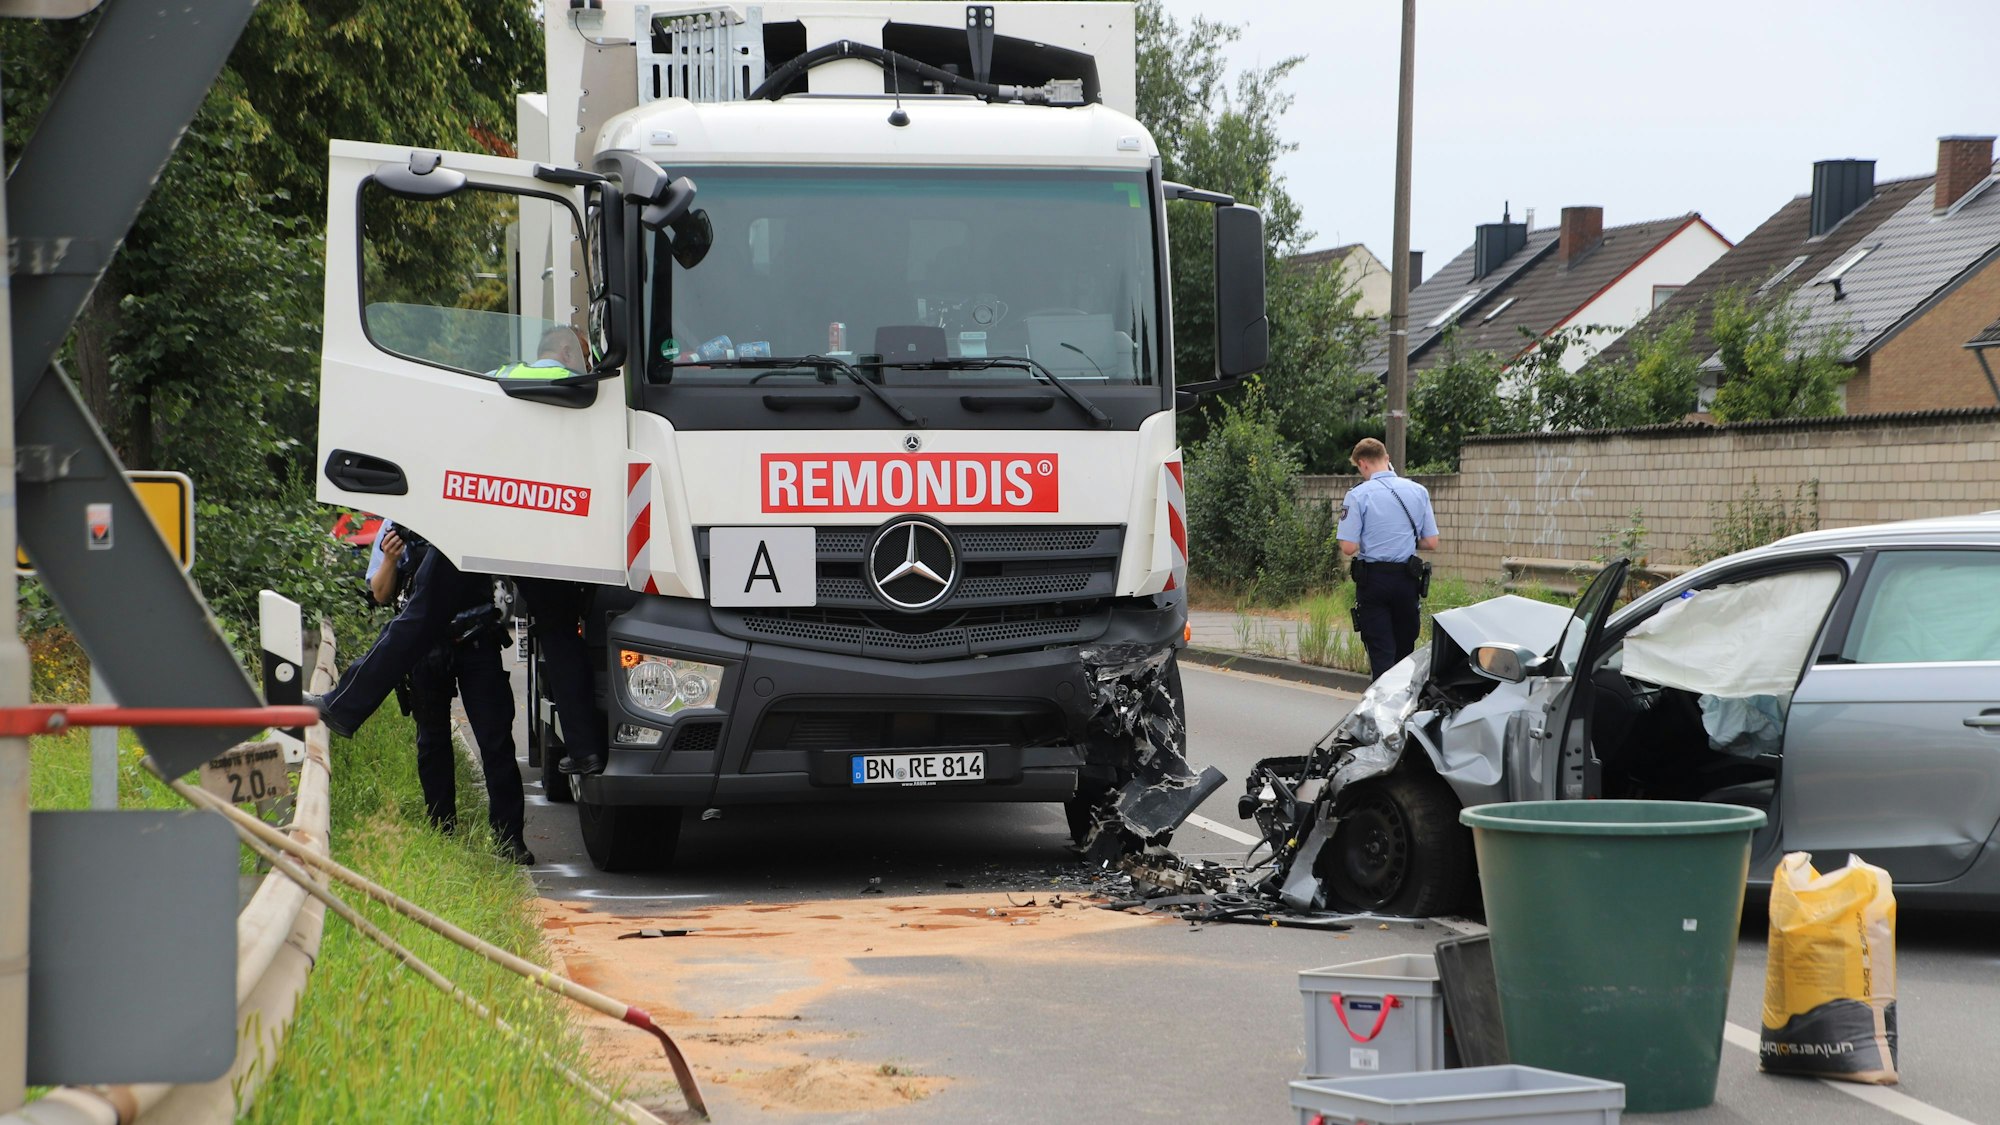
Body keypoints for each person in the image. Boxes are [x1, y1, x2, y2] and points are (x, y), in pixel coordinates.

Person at [310, 325, 607, 773]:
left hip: (480, 528)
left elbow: (451, 434)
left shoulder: (499, 375)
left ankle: (344, 707)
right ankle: (584, 750)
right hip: (544, 529)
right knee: (561, 634)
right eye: (583, 354)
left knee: (418, 618)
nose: (586, 365)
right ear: (564, 349)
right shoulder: (583, 392)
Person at [367, 520, 532, 864]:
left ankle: (509, 839)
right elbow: (381, 594)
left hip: (478, 640)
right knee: (432, 740)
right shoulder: (397, 521)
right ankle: (443, 834)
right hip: (426, 646)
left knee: (496, 739)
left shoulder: (465, 509)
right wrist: (389, 559)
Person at [1337, 437, 1440, 682]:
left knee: (1382, 654)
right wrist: (1402, 540)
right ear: (1387, 459)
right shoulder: (1418, 491)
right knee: (1405, 655)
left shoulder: (1358, 495)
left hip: (1374, 583)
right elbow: (1431, 542)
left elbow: (1348, 547)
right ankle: (1406, 711)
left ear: (1362, 464)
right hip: (1407, 581)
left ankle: (1382, 713)